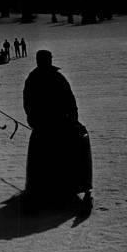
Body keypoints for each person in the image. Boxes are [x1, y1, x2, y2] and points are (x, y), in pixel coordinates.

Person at [23, 50, 92, 210]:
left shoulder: (37, 78)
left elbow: (69, 99)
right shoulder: (41, 78)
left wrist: (72, 118)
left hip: (52, 124)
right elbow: (29, 102)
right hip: (51, 124)